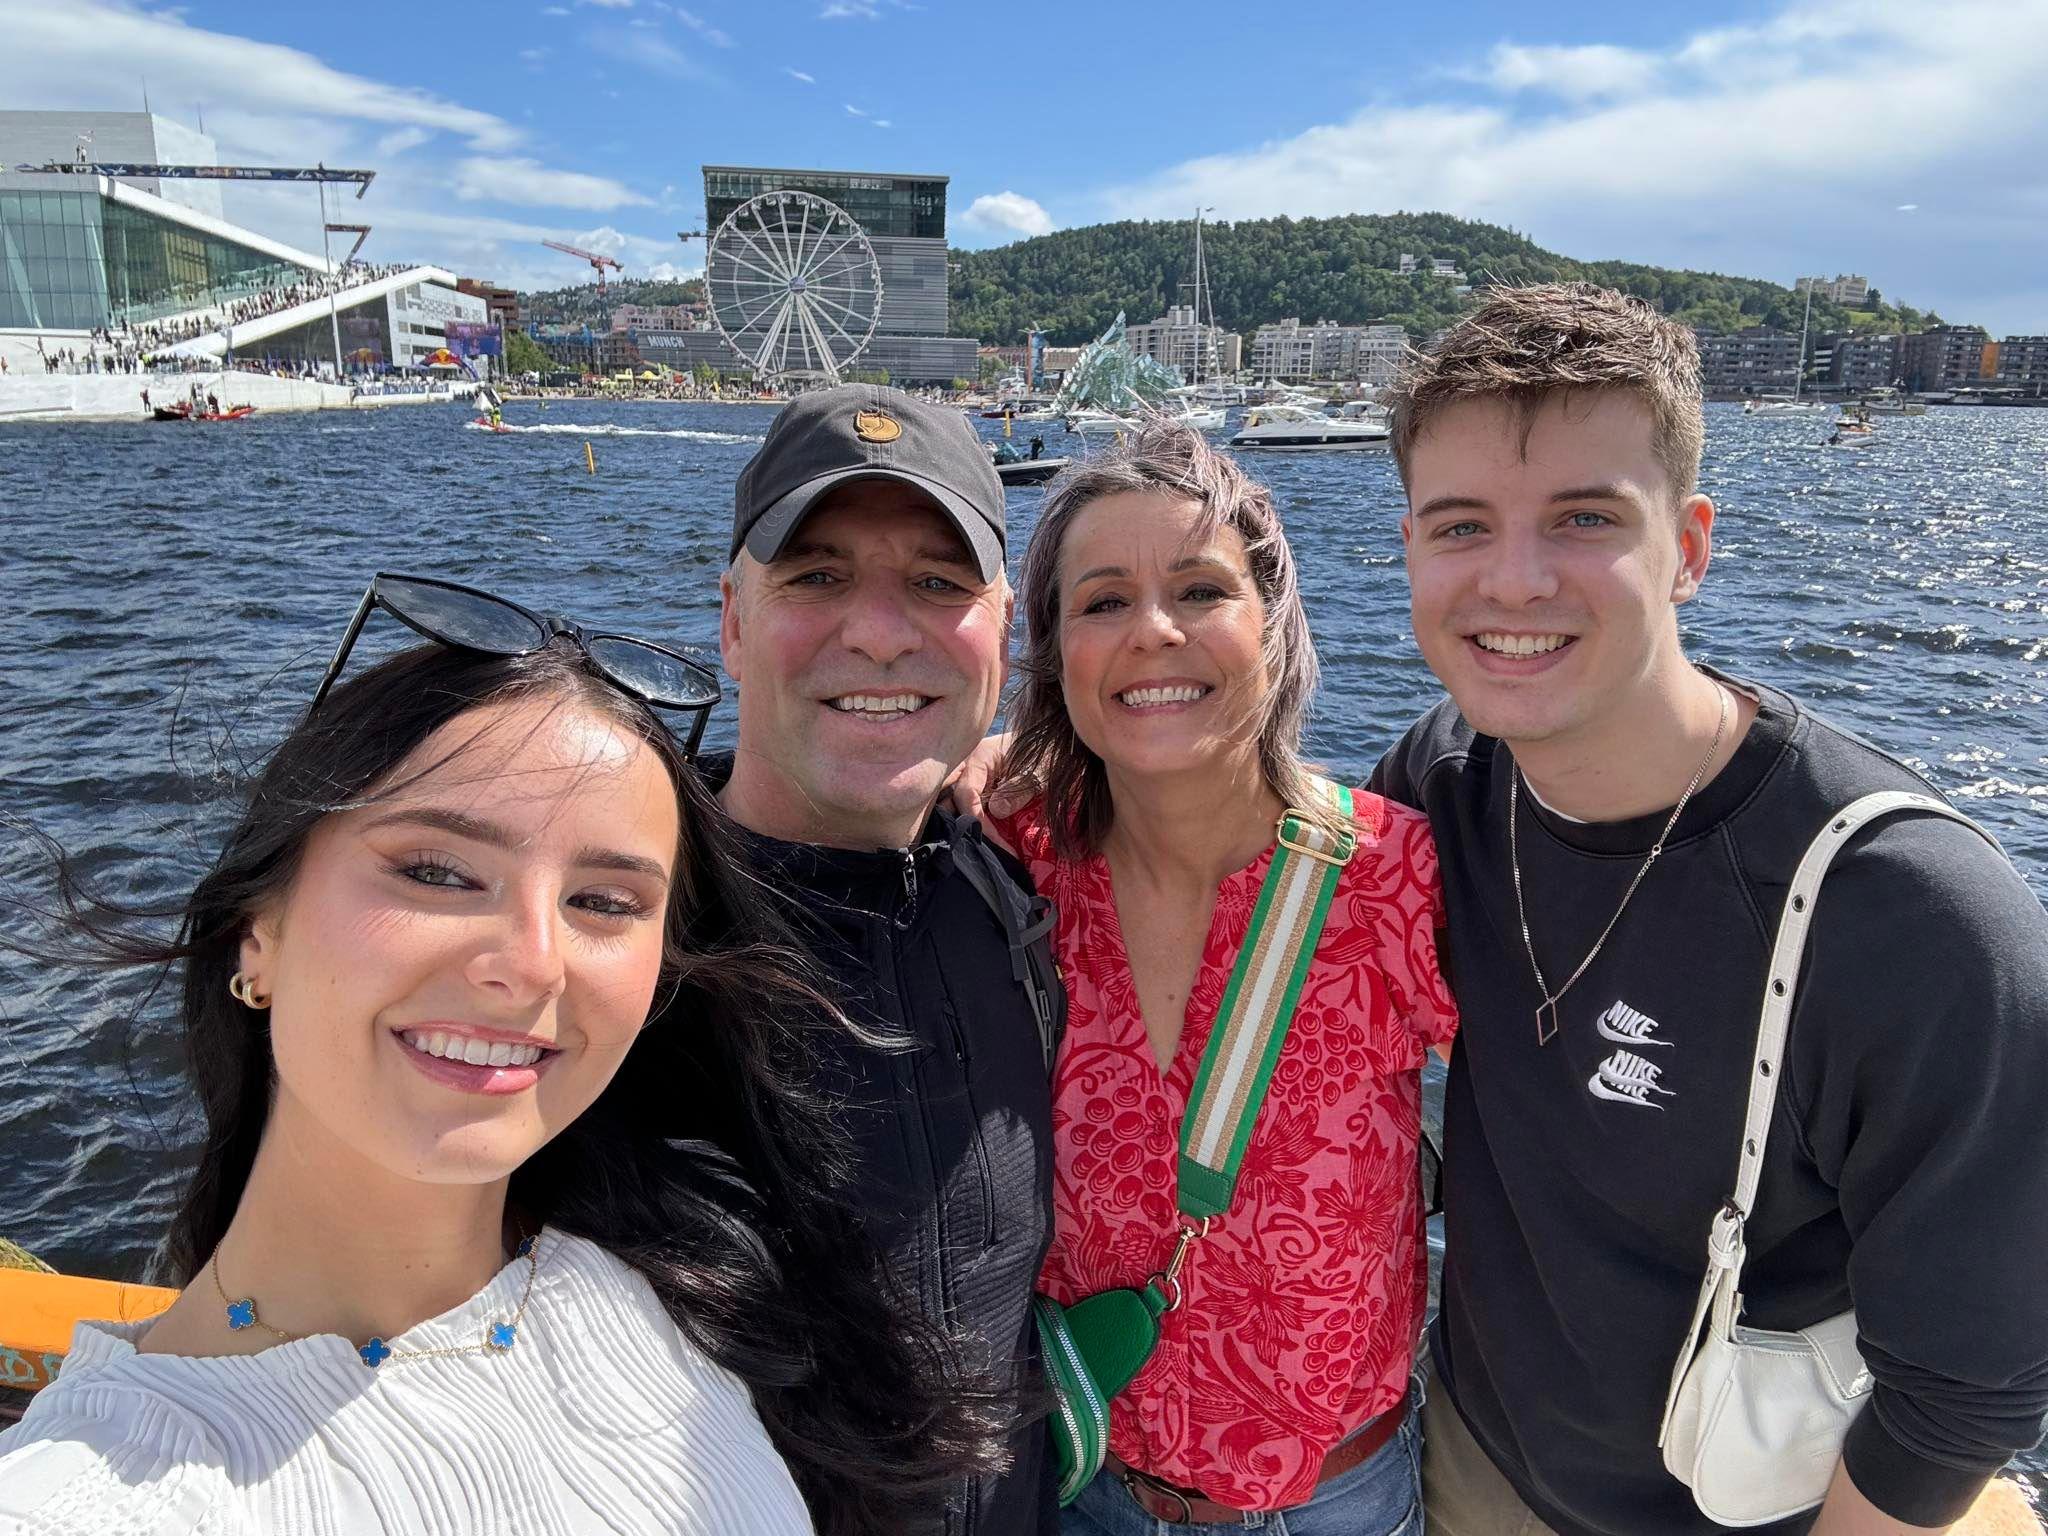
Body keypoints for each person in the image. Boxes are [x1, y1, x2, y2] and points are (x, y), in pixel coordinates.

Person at [0, 576, 1009, 1535]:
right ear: (257, 931)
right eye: (438, 872)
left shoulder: (690, 1296)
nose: (531, 963)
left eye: (605, 903)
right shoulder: (88, 1498)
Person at [1367, 283, 2048, 1535]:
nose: (1512, 582)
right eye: (1460, 525)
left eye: (1582, 519)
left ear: (1686, 546)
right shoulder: (1440, 783)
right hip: (1472, 1462)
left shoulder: (1906, 914)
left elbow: (1967, 1386)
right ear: (1407, 547)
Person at [983, 422, 1457, 1534]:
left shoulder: (1394, 879)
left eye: (1199, 590)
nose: (1151, 631)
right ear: (1056, 655)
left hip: (1329, 1502)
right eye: (1100, 602)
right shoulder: (1017, 866)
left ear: (1272, 627)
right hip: (1082, 1480)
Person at [714, 385, 1060, 1536]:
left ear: (1002, 637)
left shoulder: (1012, 881)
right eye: (815, 576)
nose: (877, 630)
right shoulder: (616, 933)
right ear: (730, 622)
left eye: (934, 582)